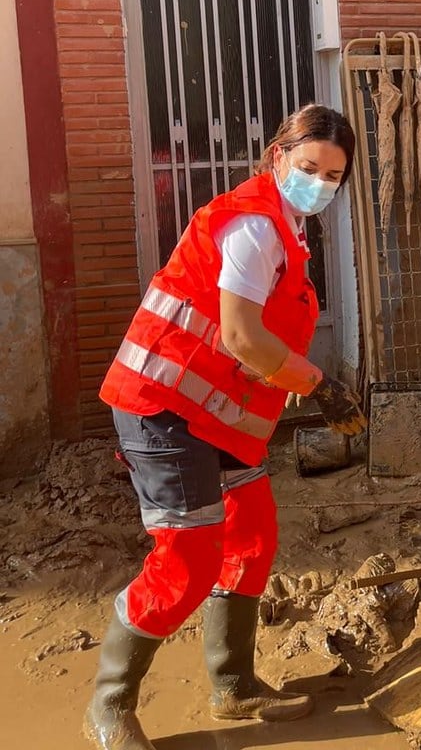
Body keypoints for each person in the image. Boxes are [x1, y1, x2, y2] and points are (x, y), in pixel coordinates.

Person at [85, 104, 368, 750]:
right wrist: (319, 387)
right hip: (163, 407)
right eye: (307, 167)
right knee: (188, 558)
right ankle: (109, 704)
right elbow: (242, 336)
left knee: (251, 536)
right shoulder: (253, 227)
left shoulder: (288, 226)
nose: (319, 183)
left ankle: (233, 684)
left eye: (332, 175)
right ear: (277, 158)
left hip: (217, 413)